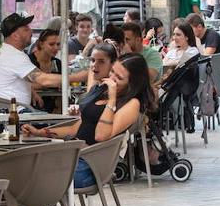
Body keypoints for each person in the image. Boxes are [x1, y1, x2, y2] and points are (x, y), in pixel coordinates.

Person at [22, 53, 154, 192]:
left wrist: (112, 100)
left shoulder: (132, 103)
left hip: (90, 167)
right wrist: (39, 133)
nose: (112, 78)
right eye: (113, 71)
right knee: (23, 170)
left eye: (119, 78)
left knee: (27, 177)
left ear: (132, 84)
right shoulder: (102, 90)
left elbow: (101, 136)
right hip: (74, 157)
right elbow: (76, 128)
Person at [0, 13, 86, 109]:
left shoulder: (7, 51)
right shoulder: (13, 56)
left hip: (7, 109)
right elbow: (43, 80)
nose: (31, 31)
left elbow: (10, 80)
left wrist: (30, 91)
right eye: (26, 29)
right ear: (15, 36)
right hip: (11, 113)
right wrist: (79, 77)